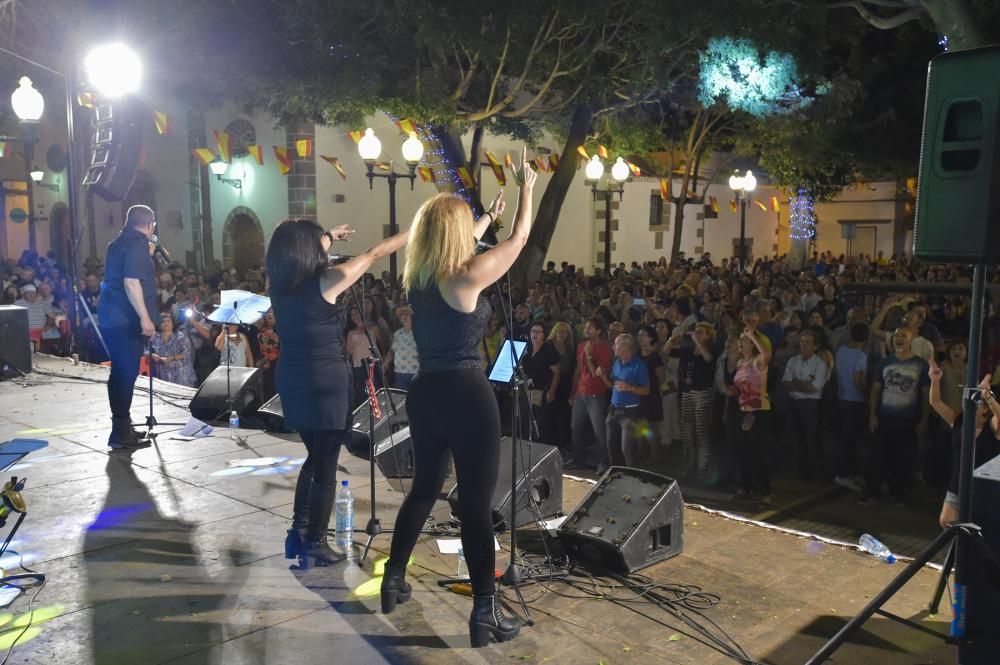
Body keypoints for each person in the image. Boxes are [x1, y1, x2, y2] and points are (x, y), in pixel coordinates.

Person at [383, 149, 534, 649]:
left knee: (424, 489)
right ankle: (484, 613)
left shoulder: (421, 277)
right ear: (455, 234)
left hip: (426, 393)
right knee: (474, 504)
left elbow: (469, 238)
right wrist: (527, 190)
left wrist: (487, 213)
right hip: (468, 395)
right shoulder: (466, 276)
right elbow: (520, 241)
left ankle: (393, 577)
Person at [267, 218, 407, 568]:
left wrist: (327, 237)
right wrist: (414, 231)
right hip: (323, 380)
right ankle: (314, 541)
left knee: (313, 457)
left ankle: (298, 533)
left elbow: (306, 253)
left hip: (293, 378)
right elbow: (374, 254)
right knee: (326, 464)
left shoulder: (279, 284)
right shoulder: (326, 282)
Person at [98, 205, 160, 450]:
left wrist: (148, 256)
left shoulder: (117, 242)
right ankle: (121, 434)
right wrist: (145, 318)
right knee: (125, 374)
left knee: (121, 374)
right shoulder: (136, 245)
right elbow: (131, 282)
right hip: (125, 320)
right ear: (149, 224)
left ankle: (122, 428)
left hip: (112, 318)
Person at [859, 327, 930, 505]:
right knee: (877, 457)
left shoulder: (921, 365)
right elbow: (875, 391)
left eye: (903, 336)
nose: (899, 339)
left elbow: (925, 394)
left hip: (908, 419)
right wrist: (872, 415)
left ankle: (898, 494)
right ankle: (872, 493)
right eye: (896, 335)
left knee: (904, 459)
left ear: (911, 339)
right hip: (884, 417)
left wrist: (924, 419)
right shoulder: (884, 363)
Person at [930, 361, 1000, 529]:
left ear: (984, 409)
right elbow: (936, 402)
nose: (967, 405)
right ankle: (957, 552)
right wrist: (935, 380)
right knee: (946, 521)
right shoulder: (959, 421)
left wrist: (988, 397)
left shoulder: (992, 427)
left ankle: (968, 553)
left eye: (975, 403)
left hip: (982, 487)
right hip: (958, 482)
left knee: (976, 526)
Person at [729, 326, 774, 506]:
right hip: (743, 410)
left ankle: (766, 491)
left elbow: (768, 355)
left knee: (758, 453)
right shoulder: (741, 363)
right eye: (740, 339)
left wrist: (753, 337)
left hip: (759, 411)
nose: (741, 342)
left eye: (744, 340)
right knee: (743, 451)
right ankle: (746, 487)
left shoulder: (758, 362)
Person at [566, 317, 613, 474]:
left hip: (596, 394)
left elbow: (596, 373)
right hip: (581, 392)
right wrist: (573, 392)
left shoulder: (605, 348)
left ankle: (603, 462)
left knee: (598, 430)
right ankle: (578, 459)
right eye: (585, 327)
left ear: (599, 331)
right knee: (576, 427)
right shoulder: (581, 346)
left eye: (590, 328)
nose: (586, 330)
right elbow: (578, 371)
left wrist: (589, 356)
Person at [596, 333, 650, 467]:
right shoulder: (616, 363)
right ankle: (617, 475)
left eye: (616, 343)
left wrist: (630, 388)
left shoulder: (639, 365)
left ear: (625, 347)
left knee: (627, 450)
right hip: (613, 411)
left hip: (629, 413)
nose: (613, 346)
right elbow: (612, 386)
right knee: (612, 449)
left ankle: (633, 480)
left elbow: (647, 390)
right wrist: (603, 376)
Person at [781, 330, 829, 479]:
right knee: (796, 437)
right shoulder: (793, 361)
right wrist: (804, 384)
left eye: (808, 342)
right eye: (802, 341)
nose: (803, 345)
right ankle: (799, 470)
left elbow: (814, 387)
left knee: (811, 438)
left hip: (811, 405)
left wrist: (796, 382)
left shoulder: (820, 364)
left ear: (815, 346)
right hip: (794, 403)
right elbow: (786, 383)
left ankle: (813, 471)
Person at [151, 311, 196, 387]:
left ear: (172, 323)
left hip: (182, 376)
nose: (166, 323)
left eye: (168, 321)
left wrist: (171, 358)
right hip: (162, 376)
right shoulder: (154, 337)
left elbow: (187, 354)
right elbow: (145, 350)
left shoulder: (180, 336)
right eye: (163, 322)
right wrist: (152, 355)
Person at [385, 305, 418, 390]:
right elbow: (392, 350)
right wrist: (386, 363)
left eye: (407, 314)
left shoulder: (419, 332)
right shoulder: (397, 333)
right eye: (402, 314)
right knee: (401, 398)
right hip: (400, 373)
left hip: (416, 372)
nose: (404, 316)